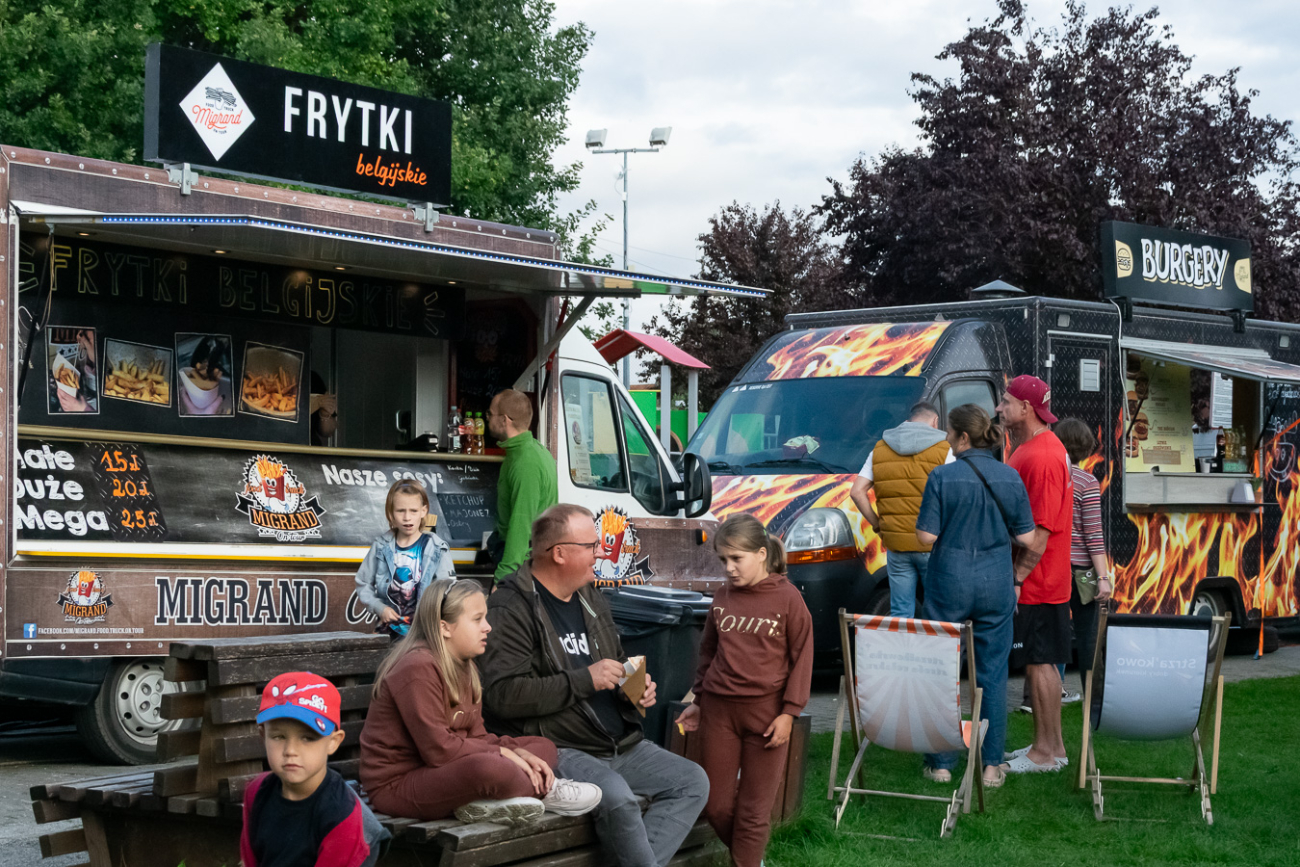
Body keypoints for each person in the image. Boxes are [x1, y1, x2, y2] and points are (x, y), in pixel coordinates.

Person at [480, 504, 709, 867]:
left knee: (691, 780)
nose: (602, 551)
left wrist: (634, 690)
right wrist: (585, 679)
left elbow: (615, 663)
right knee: (619, 799)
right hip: (561, 747)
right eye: (591, 545)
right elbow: (501, 697)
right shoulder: (511, 608)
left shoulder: (590, 598)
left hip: (619, 743)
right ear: (559, 553)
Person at [359, 578, 602, 825]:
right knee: (490, 769)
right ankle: (545, 792)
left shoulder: (464, 664)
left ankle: (500, 798)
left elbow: (476, 737)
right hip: (398, 784)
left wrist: (516, 751)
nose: (487, 627)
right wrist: (503, 753)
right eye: (477, 620)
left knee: (543, 746)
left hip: (442, 770)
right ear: (445, 627)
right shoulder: (417, 668)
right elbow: (438, 750)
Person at [674, 514, 813, 867]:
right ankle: (752, 859)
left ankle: (747, 862)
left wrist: (789, 713)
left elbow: (802, 659)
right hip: (719, 712)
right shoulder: (722, 597)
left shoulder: (788, 599)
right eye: (724, 560)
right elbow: (708, 651)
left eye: (737, 558)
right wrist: (699, 701)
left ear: (762, 554)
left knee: (753, 811)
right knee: (716, 805)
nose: (730, 568)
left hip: (767, 716)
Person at [914, 404, 1037, 789]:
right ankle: (991, 765)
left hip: (948, 581)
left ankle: (941, 764)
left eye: (950, 433)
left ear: (963, 438)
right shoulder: (1011, 476)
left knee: (942, 672)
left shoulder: (941, 476)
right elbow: (1029, 538)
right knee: (992, 674)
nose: (947, 439)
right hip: (996, 583)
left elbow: (926, 538)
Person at [995, 375, 1073, 774]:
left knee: (1042, 663)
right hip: (1041, 579)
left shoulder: (1042, 456)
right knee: (1038, 662)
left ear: (1026, 408)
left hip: (1040, 580)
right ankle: (1049, 746)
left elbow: (1040, 534)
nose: (999, 408)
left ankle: (1046, 754)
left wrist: (1016, 578)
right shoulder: (1034, 447)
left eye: (1006, 402)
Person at [240, 672, 389, 867]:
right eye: (278, 737)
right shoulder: (256, 792)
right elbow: (250, 860)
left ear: (333, 742)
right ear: (263, 736)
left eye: (308, 738)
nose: (290, 751)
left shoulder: (341, 815)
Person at [849, 401, 954, 617]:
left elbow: (857, 492)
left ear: (908, 420)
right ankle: (933, 652)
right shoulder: (945, 449)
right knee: (939, 611)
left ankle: (904, 650)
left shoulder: (879, 449)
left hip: (896, 546)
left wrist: (878, 525)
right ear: (935, 422)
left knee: (900, 611)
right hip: (932, 545)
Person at [354, 480, 456, 639]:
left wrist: (431, 617)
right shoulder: (381, 546)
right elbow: (363, 582)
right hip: (388, 633)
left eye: (413, 511)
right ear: (391, 514)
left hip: (424, 634)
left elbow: (448, 590)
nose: (407, 517)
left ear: (424, 511)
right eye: (401, 511)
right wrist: (380, 608)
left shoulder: (436, 548)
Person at [1056, 418, 1112, 676]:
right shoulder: (1087, 483)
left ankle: (1043, 694)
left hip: (1053, 565)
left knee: (1052, 632)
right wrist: (1103, 578)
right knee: (1088, 634)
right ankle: (1092, 697)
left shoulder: (1050, 476)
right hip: (1082, 571)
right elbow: (1093, 535)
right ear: (1087, 447)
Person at [486, 389, 558, 583]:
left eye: (489, 414)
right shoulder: (532, 451)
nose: (486, 419)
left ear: (504, 420)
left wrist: (503, 578)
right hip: (528, 562)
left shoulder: (525, 462)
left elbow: (521, 524)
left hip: (522, 566)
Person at [311, 372, 339, 446]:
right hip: (278, 446)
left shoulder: (311, 378)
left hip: (308, 448)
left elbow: (328, 431)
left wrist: (324, 413)